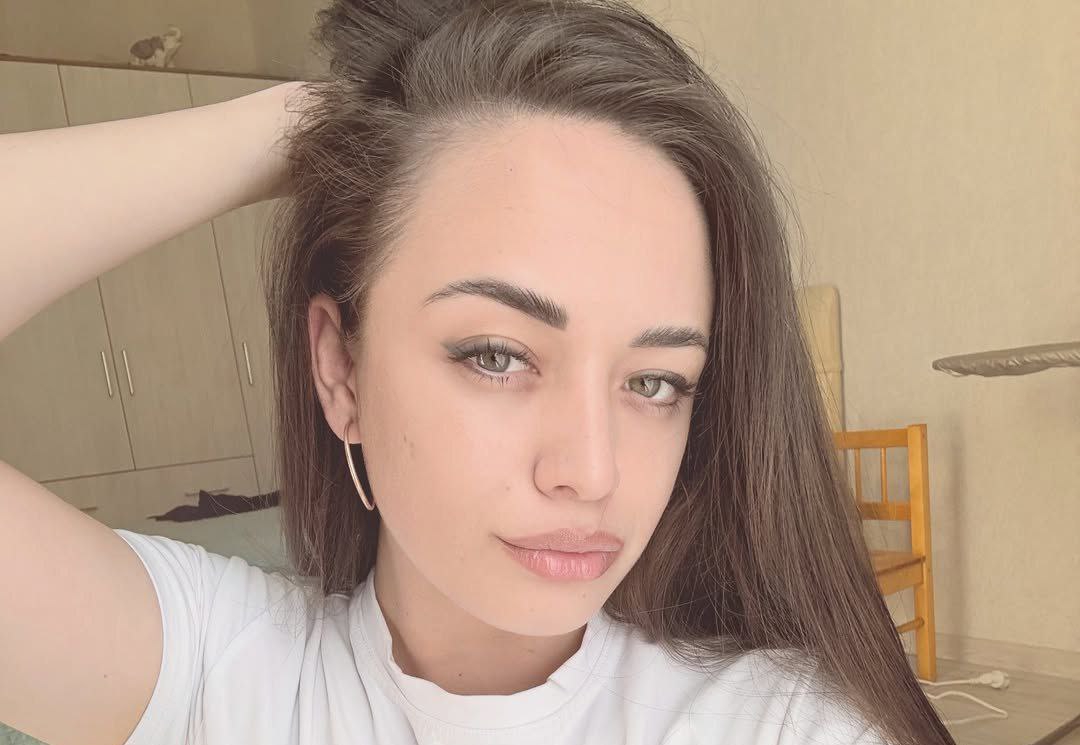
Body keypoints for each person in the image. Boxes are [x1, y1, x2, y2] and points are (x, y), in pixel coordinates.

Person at [0, 1, 954, 744]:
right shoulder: (223, 677)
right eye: (497, 356)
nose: (591, 470)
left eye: (655, 381)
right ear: (340, 369)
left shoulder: (777, 724)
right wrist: (318, 123)